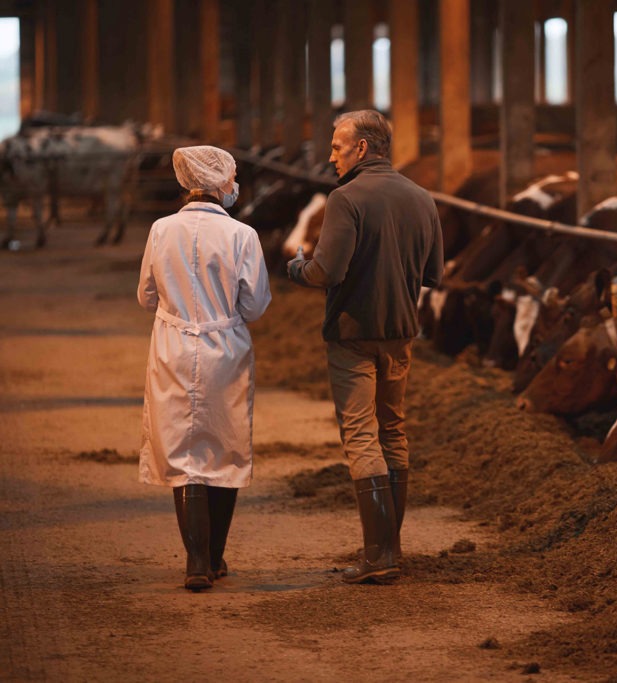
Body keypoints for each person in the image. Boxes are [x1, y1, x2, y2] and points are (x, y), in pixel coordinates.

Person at [286, 109, 443, 584]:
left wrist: (297, 266)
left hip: (353, 334)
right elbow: (434, 275)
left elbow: (325, 272)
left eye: (337, 146)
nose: (330, 155)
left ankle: (379, 555)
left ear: (362, 149)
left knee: (360, 436)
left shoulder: (345, 198)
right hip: (400, 333)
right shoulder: (422, 197)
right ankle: (391, 546)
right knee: (393, 430)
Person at [137, 145, 271, 592]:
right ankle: (215, 558)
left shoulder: (160, 230)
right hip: (225, 347)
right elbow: (255, 305)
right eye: (233, 178)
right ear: (219, 183)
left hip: (172, 345)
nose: (235, 186)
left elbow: (146, 297)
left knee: (183, 450)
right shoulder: (242, 235)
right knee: (224, 447)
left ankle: (195, 561)